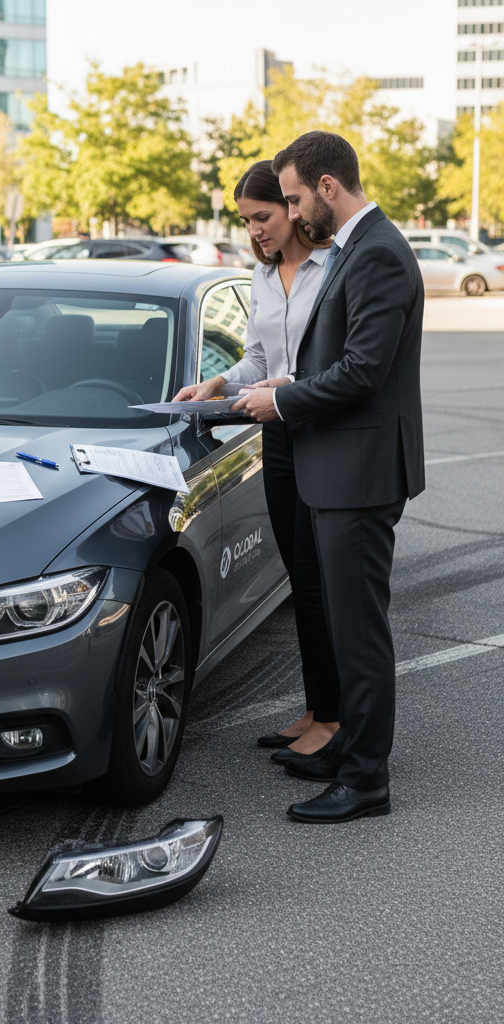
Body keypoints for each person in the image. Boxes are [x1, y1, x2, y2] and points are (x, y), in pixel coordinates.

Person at [235, 131, 424, 824]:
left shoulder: (377, 253)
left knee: (359, 631)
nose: (290, 212)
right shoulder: (358, 249)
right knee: (341, 624)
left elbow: (363, 372)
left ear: (328, 187)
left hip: (361, 471)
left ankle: (366, 779)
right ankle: (343, 749)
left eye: (290, 198)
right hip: (336, 466)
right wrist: (273, 386)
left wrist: (280, 398)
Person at [175, 161, 339, 762]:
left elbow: (334, 369)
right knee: (302, 579)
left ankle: (336, 718)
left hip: (325, 436)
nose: (255, 231)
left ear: (294, 210)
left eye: (263, 217)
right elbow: (254, 360)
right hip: (279, 441)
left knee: (327, 587)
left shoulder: (331, 270)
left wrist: (284, 388)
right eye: (246, 221)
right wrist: (216, 384)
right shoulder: (262, 275)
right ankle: (318, 709)